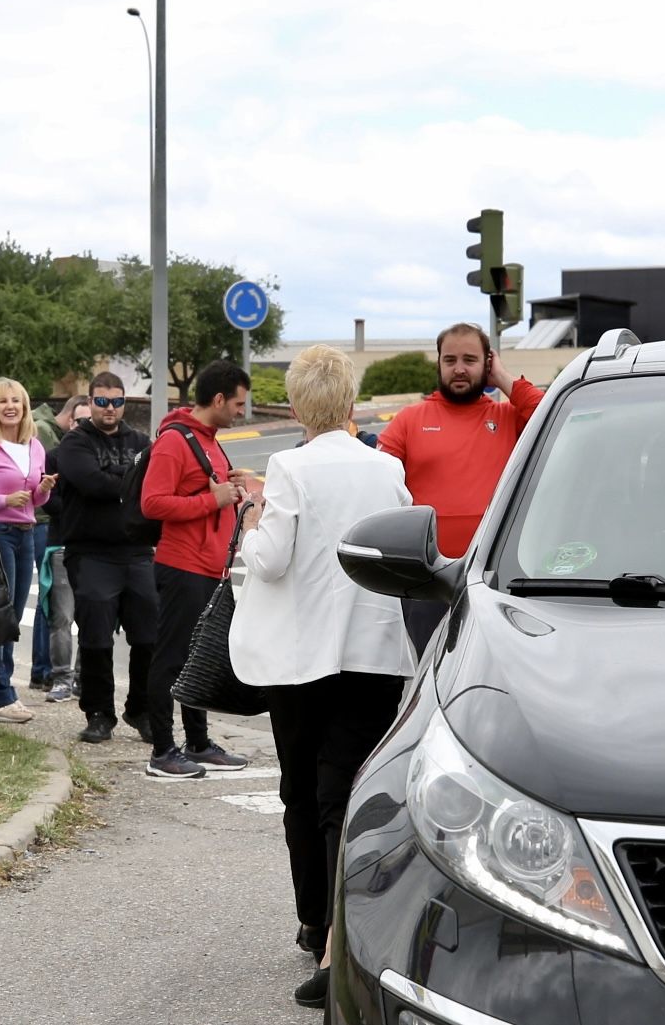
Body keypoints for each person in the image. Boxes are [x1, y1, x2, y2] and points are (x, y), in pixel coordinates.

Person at [228, 345, 416, 1009]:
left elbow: (271, 560)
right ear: (348, 402)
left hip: (301, 657)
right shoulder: (386, 467)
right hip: (372, 652)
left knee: (301, 792)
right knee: (347, 795)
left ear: (299, 405)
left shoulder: (288, 466)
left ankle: (317, 926)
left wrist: (251, 520)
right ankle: (343, 928)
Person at [377, 323, 545, 652]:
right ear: (438, 363)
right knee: (430, 678)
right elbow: (378, 480)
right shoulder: (409, 420)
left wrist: (504, 378)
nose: (459, 369)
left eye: (470, 360)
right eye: (450, 359)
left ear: (488, 363)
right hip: (427, 579)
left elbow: (550, 413)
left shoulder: (508, 416)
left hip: (495, 576)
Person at [140, 359, 256, 779]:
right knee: (171, 658)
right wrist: (215, 500)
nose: (241, 412)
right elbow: (152, 503)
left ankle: (198, 743)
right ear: (219, 399)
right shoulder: (175, 441)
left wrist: (230, 482)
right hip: (182, 564)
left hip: (209, 566)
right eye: (239, 404)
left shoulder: (209, 439)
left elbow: (207, 487)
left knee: (200, 658)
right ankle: (162, 750)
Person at [52, 372, 156, 744]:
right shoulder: (74, 442)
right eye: (101, 401)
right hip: (91, 552)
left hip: (138, 552)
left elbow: (149, 484)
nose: (109, 408)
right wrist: (127, 480)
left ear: (123, 402)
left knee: (149, 636)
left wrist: (118, 480)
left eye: (115, 401)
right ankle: (99, 713)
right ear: (90, 401)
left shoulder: (141, 441)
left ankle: (140, 709)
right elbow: (91, 483)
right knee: (96, 638)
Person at [0, 378, 54, 724]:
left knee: (16, 614)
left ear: (24, 406)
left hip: (27, 532)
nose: (10, 406)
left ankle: (3, 689)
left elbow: (36, 500)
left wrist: (44, 489)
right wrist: (6, 500)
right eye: (3, 401)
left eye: (16, 401)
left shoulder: (35, 446)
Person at [36, 395, 90, 703]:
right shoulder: (54, 457)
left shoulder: (99, 455)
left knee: (93, 617)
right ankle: (61, 679)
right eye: (80, 420)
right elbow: (48, 501)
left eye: (89, 421)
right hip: (60, 545)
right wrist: (82, 510)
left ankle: (84, 678)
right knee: (61, 617)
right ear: (70, 422)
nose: (84, 426)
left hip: (95, 548)